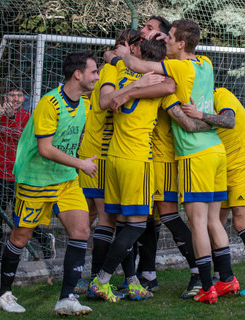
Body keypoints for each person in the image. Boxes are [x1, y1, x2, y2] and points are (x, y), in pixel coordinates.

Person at [114, 19, 239, 304]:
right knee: (213, 223)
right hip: (216, 150)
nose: (166, 40)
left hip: (195, 154)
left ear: (181, 44)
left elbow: (139, 68)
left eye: (169, 36)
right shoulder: (204, 63)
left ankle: (206, 286)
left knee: (197, 224)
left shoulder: (180, 67)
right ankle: (227, 279)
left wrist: (120, 54)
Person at [0, 51, 99, 316]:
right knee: (21, 236)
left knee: (81, 232)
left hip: (65, 181)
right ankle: (4, 294)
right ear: (78, 74)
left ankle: (66, 298)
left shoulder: (84, 104)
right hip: (36, 181)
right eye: (94, 71)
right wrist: (81, 163)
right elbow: (45, 149)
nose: (97, 76)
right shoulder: (49, 104)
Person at [87, 34, 180, 303]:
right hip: (137, 160)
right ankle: (101, 280)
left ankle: (132, 282)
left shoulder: (120, 76)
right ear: (161, 62)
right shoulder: (159, 81)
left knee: (124, 224)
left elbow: (107, 100)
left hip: (113, 158)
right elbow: (171, 86)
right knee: (137, 226)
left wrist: (124, 74)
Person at [121, 15, 202, 299]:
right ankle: (148, 274)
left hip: (164, 157)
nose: (144, 32)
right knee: (147, 217)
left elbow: (173, 100)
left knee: (167, 214)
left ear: (166, 39)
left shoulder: (171, 77)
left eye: (151, 30)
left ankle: (197, 273)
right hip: (145, 157)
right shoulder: (156, 73)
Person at [182, 87, 245, 296]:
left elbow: (229, 120)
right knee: (215, 224)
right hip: (221, 169)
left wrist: (199, 115)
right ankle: (223, 277)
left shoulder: (221, 95)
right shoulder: (199, 103)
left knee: (241, 223)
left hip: (242, 169)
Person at [0, 87, 55, 263]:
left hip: (23, 177)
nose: (15, 98)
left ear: (24, 98)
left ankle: (45, 241)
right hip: (2, 176)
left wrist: (9, 118)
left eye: (18, 95)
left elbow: (22, 136)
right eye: (11, 95)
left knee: (24, 218)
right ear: (5, 97)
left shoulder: (28, 117)